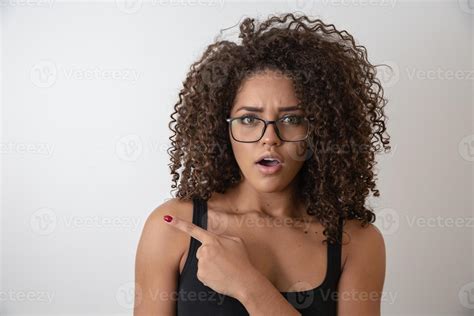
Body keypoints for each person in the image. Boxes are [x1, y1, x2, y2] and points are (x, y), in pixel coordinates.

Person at [134, 12, 389, 316]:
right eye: (249, 119)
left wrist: (248, 285)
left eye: (292, 119)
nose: (270, 138)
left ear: (320, 129)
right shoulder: (173, 229)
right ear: (222, 127)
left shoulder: (357, 242)